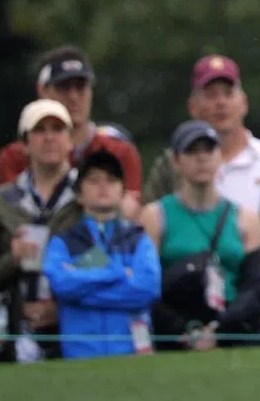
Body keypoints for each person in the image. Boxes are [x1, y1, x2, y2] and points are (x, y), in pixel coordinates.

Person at [142, 54, 260, 340]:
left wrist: (240, 241)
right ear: (193, 107)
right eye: (210, 95)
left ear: (244, 102)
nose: (220, 103)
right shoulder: (168, 165)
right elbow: (150, 237)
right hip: (180, 320)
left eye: (228, 93)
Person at [0, 99, 83, 363]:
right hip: (13, 334)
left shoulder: (90, 198)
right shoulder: (0, 203)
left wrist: (62, 306)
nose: (49, 137)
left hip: (80, 329)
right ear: (25, 144)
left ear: (70, 140)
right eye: (40, 130)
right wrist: (12, 260)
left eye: (57, 129)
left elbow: (109, 262)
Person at [141, 120, 260, 351]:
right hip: (176, 336)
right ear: (176, 161)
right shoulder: (155, 216)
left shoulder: (246, 219)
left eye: (209, 150)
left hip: (232, 334)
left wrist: (220, 331)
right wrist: (185, 331)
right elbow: (147, 287)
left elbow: (254, 288)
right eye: (192, 151)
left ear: (219, 157)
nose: (202, 158)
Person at [0, 46, 142, 218]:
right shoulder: (15, 157)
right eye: (63, 87)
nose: (73, 97)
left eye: (81, 87)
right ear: (42, 90)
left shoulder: (119, 152)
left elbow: (129, 216)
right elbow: (9, 217)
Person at [43, 150, 161, 360]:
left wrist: (81, 291)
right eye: (94, 180)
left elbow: (147, 289)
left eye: (111, 180)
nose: (103, 186)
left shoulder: (138, 239)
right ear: (79, 194)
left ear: (123, 192)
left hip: (133, 357)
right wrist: (118, 273)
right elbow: (61, 285)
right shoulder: (63, 242)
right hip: (79, 358)